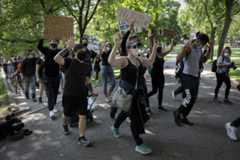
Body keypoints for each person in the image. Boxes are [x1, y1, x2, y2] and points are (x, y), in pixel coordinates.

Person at [108, 23, 158, 155]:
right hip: (127, 93)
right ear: (129, 49)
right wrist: (116, 45)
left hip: (137, 95)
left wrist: (154, 48)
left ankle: (115, 126)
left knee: (126, 113)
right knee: (135, 119)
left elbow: (151, 61)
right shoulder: (124, 60)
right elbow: (111, 61)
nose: (137, 48)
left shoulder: (140, 60)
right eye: (134, 47)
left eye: (138, 46)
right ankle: (138, 144)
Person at [54, 37, 94, 147]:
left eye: (84, 51)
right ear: (75, 52)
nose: (84, 53)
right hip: (69, 94)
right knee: (66, 114)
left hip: (82, 94)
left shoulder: (86, 65)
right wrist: (67, 47)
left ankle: (82, 137)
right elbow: (56, 58)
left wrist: (92, 90)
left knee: (83, 116)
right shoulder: (68, 62)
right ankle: (64, 125)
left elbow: (87, 80)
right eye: (81, 51)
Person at [173, 32, 211, 126]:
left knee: (193, 99)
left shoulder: (199, 49)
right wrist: (185, 49)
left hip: (195, 76)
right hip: (187, 76)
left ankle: (183, 116)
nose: (202, 45)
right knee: (189, 98)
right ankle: (177, 112)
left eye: (204, 44)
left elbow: (203, 60)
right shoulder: (189, 47)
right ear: (199, 40)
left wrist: (209, 50)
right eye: (203, 43)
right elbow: (178, 58)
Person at [37, 39, 61, 120]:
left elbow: (68, 51)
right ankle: (51, 111)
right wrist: (43, 37)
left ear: (57, 43)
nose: (54, 42)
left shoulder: (59, 51)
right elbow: (39, 46)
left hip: (56, 76)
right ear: (50, 42)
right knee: (50, 93)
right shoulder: (46, 50)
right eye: (52, 41)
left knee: (55, 92)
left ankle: (53, 105)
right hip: (47, 77)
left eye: (55, 41)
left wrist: (67, 43)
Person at [147, 42, 175, 111]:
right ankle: (144, 97)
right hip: (154, 75)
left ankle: (160, 105)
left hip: (161, 75)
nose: (163, 50)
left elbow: (170, 49)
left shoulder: (162, 55)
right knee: (154, 91)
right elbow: (148, 61)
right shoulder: (153, 55)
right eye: (162, 49)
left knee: (161, 90)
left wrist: (172, 41)